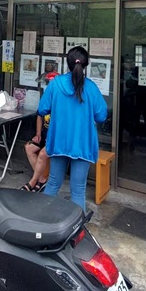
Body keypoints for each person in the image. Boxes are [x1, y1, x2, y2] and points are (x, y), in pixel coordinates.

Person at [38, 46, 108, 211]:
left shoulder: (56, 84)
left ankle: (41, 220)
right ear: (85, 64)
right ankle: (77, 226)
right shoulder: (91, 87)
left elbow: (42, 109)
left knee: (53, 183)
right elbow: (101, 116)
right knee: (78, 191)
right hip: (83, 144)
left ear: (67, 63)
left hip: (59, 141)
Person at [21, 72, 58, 192]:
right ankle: (42, 179)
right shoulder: (46, 98)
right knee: (29, 148)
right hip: (45, 135)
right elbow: (39, 116)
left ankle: (33, 182)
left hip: (56, 139)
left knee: (42, 154)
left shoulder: (60, 100)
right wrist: (38, 134)